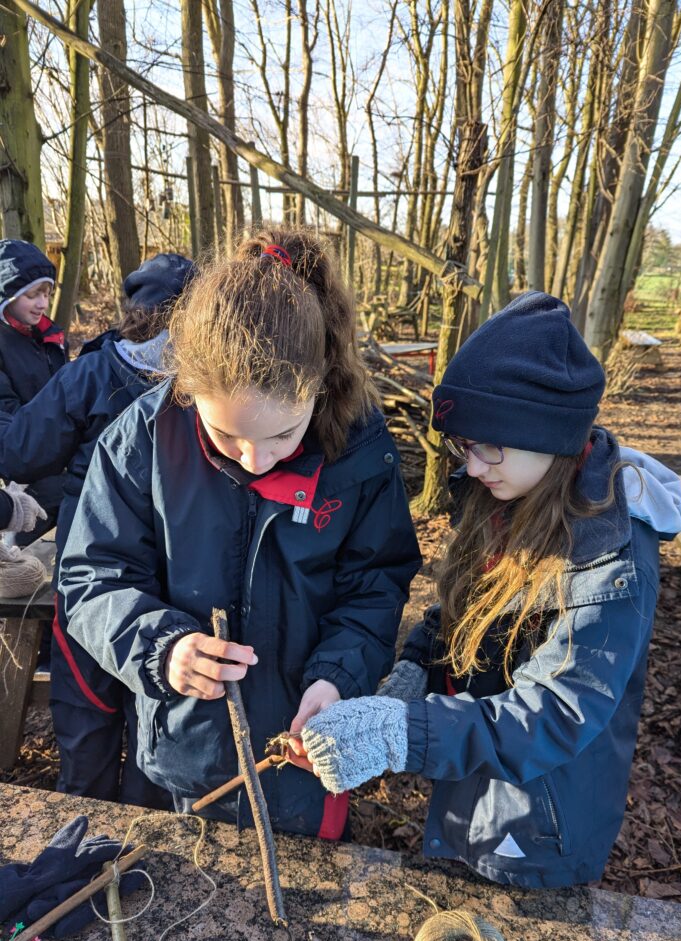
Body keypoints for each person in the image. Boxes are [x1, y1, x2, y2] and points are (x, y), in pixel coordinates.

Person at [296, 291, 681, 887]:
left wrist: (405, 731)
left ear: (549, 434)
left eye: (487, 446)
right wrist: (411, 675)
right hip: (471, 781)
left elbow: (556, 712)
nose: (472, 465)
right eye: (462, 445)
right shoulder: (502, 494)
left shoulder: (610, 554)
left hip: (539, 822)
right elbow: (459, 614)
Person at [58, 230, 422, 838]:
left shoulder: (360, 449)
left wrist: (339, 677)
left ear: (320, 385)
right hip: (177, 760)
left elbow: (375, 587)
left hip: (304, 761)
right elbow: (91, 579)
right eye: (228, 437)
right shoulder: (141, 440)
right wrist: (162, 648)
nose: (256, 460)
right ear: (188, 389)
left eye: (283, 435)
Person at [0, 253, 196, 807]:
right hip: (159, 571)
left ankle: (93, 834)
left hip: (98, 566)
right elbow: (17, 449)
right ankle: (128, 839)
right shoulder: (203, 387)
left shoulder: (92, 372)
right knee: (148, 704)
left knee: (100, 703)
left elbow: (21, 450)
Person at [0, 239, 67, 544]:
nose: (42, 303)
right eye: (32, 295)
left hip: (58, 447)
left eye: (47, 294)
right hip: (26, 465)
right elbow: (6, 413)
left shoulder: (49, 337)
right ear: (7, 296)